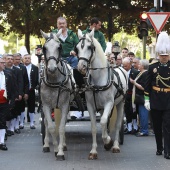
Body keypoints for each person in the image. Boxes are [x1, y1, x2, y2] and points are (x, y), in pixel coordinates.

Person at [144, 31, 170, 159]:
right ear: (158, 54)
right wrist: (147, 99)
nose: (164, 57)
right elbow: (147, 85)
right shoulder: (152, 67)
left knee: (167, 126)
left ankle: (167, 151)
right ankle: (159, 147)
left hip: (169, 100)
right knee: (157, 126)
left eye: (166, 55)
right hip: (155, 99)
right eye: (162, 55)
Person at [4, 54, 23, 135]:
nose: (10, 60)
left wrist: (19, 94)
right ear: (5, 60)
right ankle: (6, 128)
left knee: (14, 111)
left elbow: (19, 82)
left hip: (14, 93)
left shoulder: (17, 70)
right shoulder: (3, 70)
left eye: (12, 59)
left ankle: (13, 127)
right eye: (8, 59)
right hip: (4, 94)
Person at [130, 59, 149, 136]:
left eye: (140, 64)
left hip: (142, 97)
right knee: (141, 114)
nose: (138, 65)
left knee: (143, 114)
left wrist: (134, 82)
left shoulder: (145, 74)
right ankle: (142, 129)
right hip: (139, 97)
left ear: (143, 66)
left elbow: (144, 87)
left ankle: (144, 130)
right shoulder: (141, 73)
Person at [0, 57, 15, 150]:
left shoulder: (8, 74)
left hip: (4, 102)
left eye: (3, 62)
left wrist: (12, 102)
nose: (3, 64)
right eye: (1, 62)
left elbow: (12, 89)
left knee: (2, 121)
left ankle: (1, 142)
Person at [122, 57, 139, 134]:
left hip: (133, 94)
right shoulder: (122, 72)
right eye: (123, 65)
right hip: (125, 95)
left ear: (129, 65)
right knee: (127, 111)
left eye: (125, 66)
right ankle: (129, 127)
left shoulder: (135, 72)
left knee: (134, 111)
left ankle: (135, 126)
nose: (124, 67)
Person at [13, 53, 29, 129]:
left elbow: (26, 81)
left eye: (19, 59)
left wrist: (25, 92)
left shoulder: (23, 68)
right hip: (12, 92)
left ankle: (20, 123)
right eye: (16, 59)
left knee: (20, 108)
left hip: (20, 92)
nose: (17, 61)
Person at [23, 54, 39, 129]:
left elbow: (36, 79)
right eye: (25, 58)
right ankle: (21, 123)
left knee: (31, 106)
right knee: (21, 106)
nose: (27, 59)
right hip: (21, 90)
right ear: (23, 59)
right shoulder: (20, 68)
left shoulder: (35, 68)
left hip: (31, 90)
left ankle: (32, 122)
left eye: (28, 58)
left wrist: (34, 87)